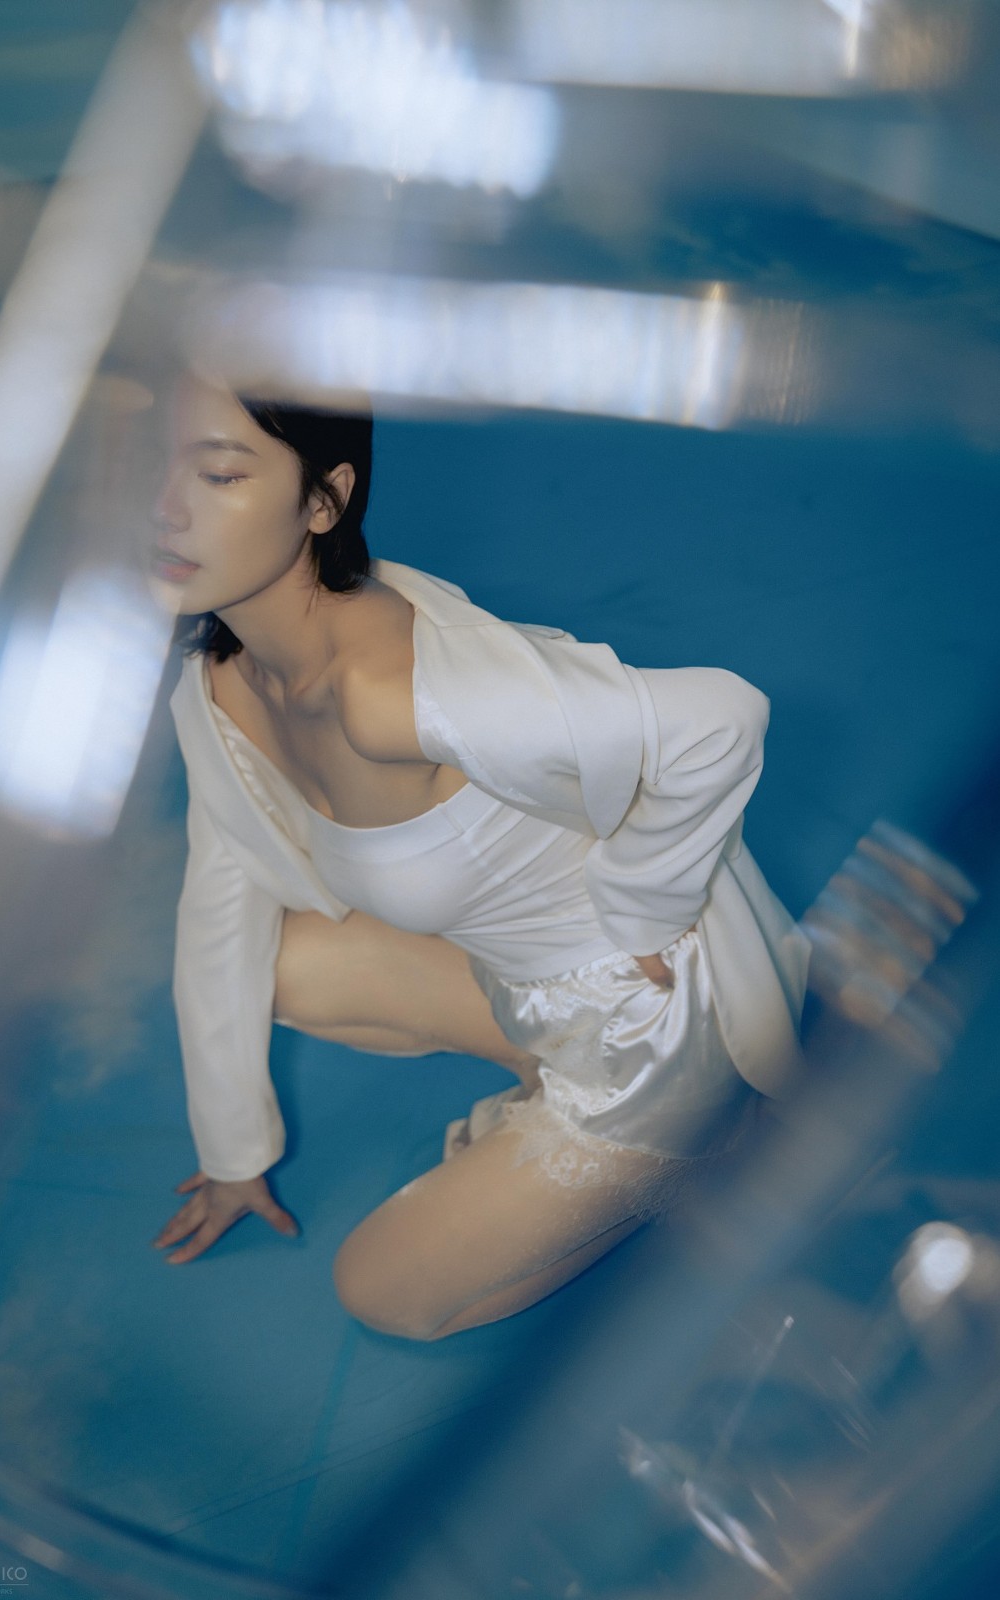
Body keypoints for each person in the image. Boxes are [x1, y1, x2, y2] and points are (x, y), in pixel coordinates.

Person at [149, 372, 811, 1341]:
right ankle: (547, 1080)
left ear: (324, 499)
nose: (164, 508)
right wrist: (231, 1155)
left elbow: (721, 718)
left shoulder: (389, 693)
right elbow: (220, 904)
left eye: (218, 475)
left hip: (648, 1028)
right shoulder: (221, 685)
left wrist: (645, 905)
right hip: (517, 984)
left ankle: (709, 1149)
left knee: (383, 1291)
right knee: (277, 962)